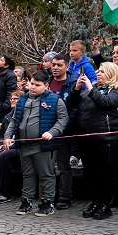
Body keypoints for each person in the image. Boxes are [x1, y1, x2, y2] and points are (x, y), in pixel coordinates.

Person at [5, 71, 68, 217]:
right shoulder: (22, 100)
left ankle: (47, 202)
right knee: (27, 174)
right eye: (32, 84)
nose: (33, 87)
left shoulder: (55, 100)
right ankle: (26, 201)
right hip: (24, 144)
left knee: (46, 174)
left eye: (37, 85)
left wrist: (52, 132)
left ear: (46, 86)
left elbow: (63, 120)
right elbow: (14, 120)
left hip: (43, 145)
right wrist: (8, 136)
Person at [69, 62, 118, 220]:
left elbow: (107, 103)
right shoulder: (93, 89)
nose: (98, 73)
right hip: (87, 139)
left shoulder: (115, 91)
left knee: (105, 173)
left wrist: (90, 88)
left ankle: (104, 204)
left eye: (102, 71)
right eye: (98, 71)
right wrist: (77, 88)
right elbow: (73, 102)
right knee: (90, 173)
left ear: (111, 74)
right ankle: (95, 202)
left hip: (107, 139)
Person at [48, 53, 79, 210]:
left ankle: (65, 197)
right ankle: (49, 195)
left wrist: (63, 126)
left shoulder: (73, 83)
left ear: (67, 67)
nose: (55, 67)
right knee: (48, 166)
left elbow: (75, 108)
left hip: (65, 131)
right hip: (48, 131)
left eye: (59, 65)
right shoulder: (48, 83)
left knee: (63, 166)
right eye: (53, 64)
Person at [0, 55, 18, 122]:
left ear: (6, 65)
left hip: (2, 109)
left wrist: (5, 106)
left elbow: (11, 91)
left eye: (1, 60)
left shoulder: (10, 75)